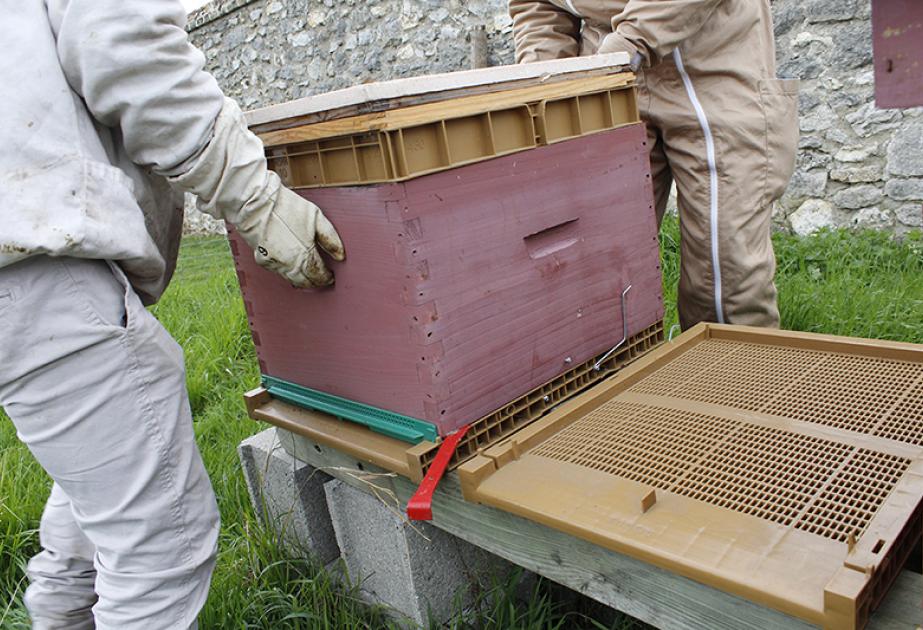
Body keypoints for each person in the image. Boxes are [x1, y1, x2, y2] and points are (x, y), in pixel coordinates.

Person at [0, 1, 344, 628]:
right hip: (31, 263)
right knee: (160, 549)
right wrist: (258, 198)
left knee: (108, 474)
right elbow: (124, 44)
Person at [509, 0, 799, 328]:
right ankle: (616, 375)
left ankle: (732, 372)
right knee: (596, 263)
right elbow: (539, 7)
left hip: (715, 66)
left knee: (725, 273)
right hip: (607, 80)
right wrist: (547, 77)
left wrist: (628, 44)